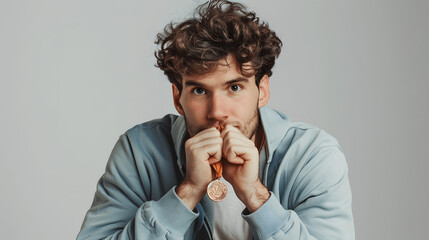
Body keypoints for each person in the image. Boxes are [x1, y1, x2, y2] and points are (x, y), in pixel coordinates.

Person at [77, 0, 355, 239]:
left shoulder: (312, 155)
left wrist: (256, 195)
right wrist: (187, 192)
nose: (217, 111)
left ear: (262, 91)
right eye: (199, 90)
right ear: (178, 98)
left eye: (234, 87)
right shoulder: (139, 151)